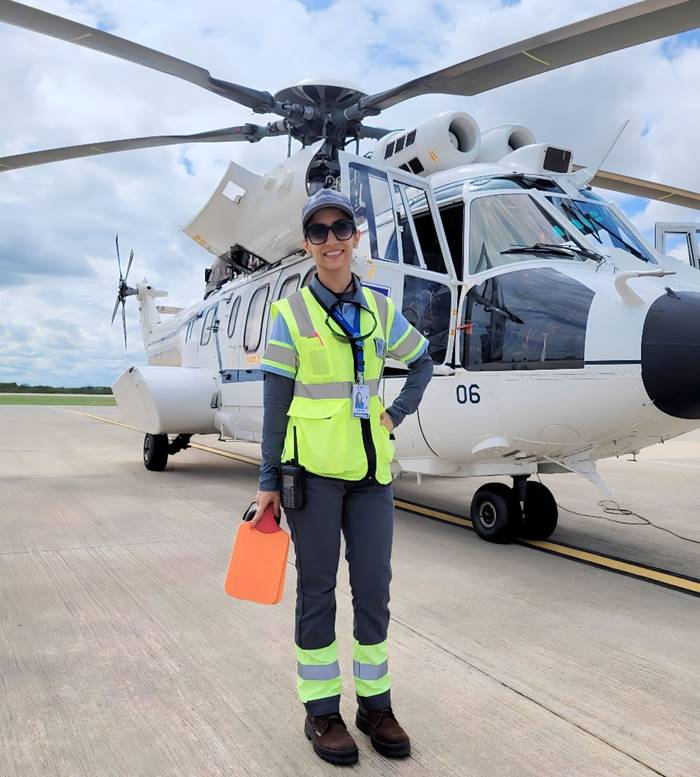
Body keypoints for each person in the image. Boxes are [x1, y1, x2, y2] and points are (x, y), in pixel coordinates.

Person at [252, 187, 433, 766]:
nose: (331, 240)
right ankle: (321, 711)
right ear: (307, 244)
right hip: (312, 476)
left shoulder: (380, 309)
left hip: (371, 474)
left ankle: (375, 706)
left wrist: (395, 412)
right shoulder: (289, 315)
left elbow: (422, 360)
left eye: (340, 228)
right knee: (317, 590)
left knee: (374, 589)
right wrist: (268, 482)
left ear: (355, 238)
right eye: (318, 231)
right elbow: (275, 405)